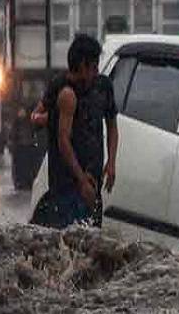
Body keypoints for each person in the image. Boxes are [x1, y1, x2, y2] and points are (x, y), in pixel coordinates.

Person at [30, 34, 119, 229]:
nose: (96, 72)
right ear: (82, 65)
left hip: (92, 182)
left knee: (90, 246)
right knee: (68, 241)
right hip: (66, 185)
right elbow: (60, 138)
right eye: (93, 67)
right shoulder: (63, 90)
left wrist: (111, 163)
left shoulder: (103, 88)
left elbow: (112, 124)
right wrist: (50, 118)